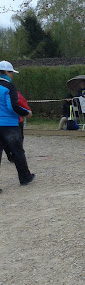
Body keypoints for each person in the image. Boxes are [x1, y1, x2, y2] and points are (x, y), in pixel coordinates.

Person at [0, 60, 35, 191]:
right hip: (9, 124)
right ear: (6, 72)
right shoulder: (9, 87)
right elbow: (12, 106)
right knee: (18, 152)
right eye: (11, 72)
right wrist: (26, 113)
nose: (12, 75)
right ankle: (25, 177)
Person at [3, 91, 30, 163]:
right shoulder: (11, 91)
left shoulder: (13, 92)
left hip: (13, 121)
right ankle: (13, 155)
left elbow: (22, 102)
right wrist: (27, 111)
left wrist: (26, 110)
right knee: (16, 139)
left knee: (9, 140)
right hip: (13, 122)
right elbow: (21, 104)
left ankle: (13, 155)